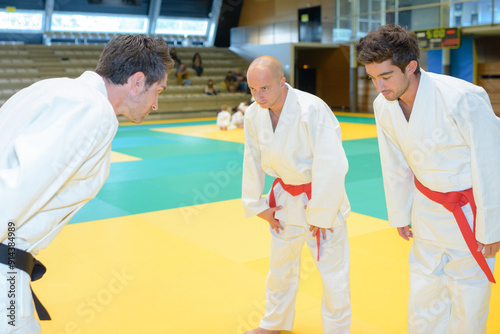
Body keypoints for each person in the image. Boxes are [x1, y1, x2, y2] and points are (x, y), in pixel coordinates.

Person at [0, 34, 173, 333]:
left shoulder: (49, 88)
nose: (156, 104)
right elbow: (14, 188)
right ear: (137, 81)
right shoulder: (92, 110)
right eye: (157, 90)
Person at [356, 24, 500, 333]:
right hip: (426, 210)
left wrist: (491, 227)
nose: (379, 87)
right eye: (372, 78)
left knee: (468, 305)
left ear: (411, 66)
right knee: (423, 301)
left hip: (468, 215)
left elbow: (491, 164)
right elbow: (393, 162)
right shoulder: (383, 106)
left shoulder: (463, 98)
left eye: (385, 76)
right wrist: (400, 211)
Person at [241, 56, 351, 334]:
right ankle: (273, 324)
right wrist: (257, 205)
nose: (258, 95)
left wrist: (322, 214)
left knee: (333, 275)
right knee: (280, 268)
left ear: (282, 81)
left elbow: (333, 163)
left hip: (320, 198)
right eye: (252, 89)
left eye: (264, 88)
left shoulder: (312, 109)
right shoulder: (254, 113)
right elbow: (251, 158)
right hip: (283, 201)